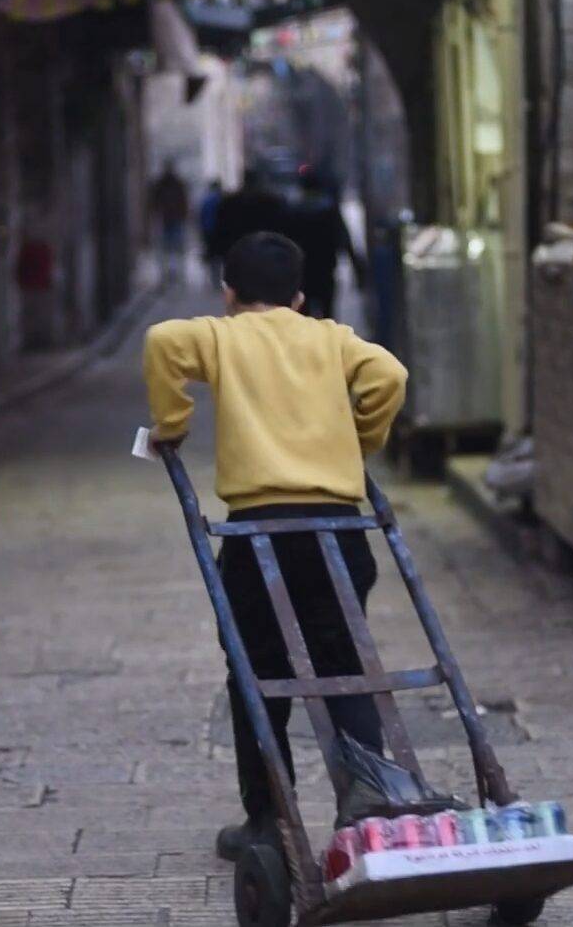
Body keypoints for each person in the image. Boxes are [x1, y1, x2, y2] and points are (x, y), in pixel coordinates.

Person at [142, 233, 408, 861]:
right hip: (339, 529)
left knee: (255, 673)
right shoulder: (329, 338)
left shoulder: (219, 335)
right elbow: (389, 374)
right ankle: (365, 795)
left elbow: (160, 343)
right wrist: (360, 439)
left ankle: (268, 818)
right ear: (298, 296)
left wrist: (170, 426)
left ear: (229, 293)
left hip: (258, 531)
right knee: (345, 663)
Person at [288, 166, 365, 321]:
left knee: (304, 315)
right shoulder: (329, 209)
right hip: (326, 267)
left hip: (303, 271)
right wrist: (356, 265)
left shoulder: (295, 210)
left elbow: (287, 241)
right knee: (328, 313)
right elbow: (343, 238)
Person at [149, 161, 191, 287]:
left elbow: (154, 203)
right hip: (169, 220)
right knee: (172, 249)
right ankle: (171, 273)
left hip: (171, 220)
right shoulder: (169, 184)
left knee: (171, 249)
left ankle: (171, 273)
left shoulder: (165, 184)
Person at [197, 180, 224, 284]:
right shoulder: (221, 199)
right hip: (219, 230)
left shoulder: (207, 200)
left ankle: (213, 277)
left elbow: (202, 215)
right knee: (218, 254)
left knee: (211, 253)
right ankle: (217, 277)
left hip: (208, 230)